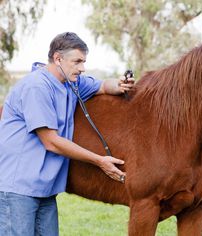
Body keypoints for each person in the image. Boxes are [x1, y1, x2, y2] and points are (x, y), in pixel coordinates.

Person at [0, 32, 135, 235]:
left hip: (45, 190)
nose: (82, 68)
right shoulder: (36, 87)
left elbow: (101, 85)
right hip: (18, 189)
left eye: (84, 62)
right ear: (57, 58)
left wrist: (118, 84)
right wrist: (100, 161)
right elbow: (51, 142)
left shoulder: (72, 83)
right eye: (77, 61)